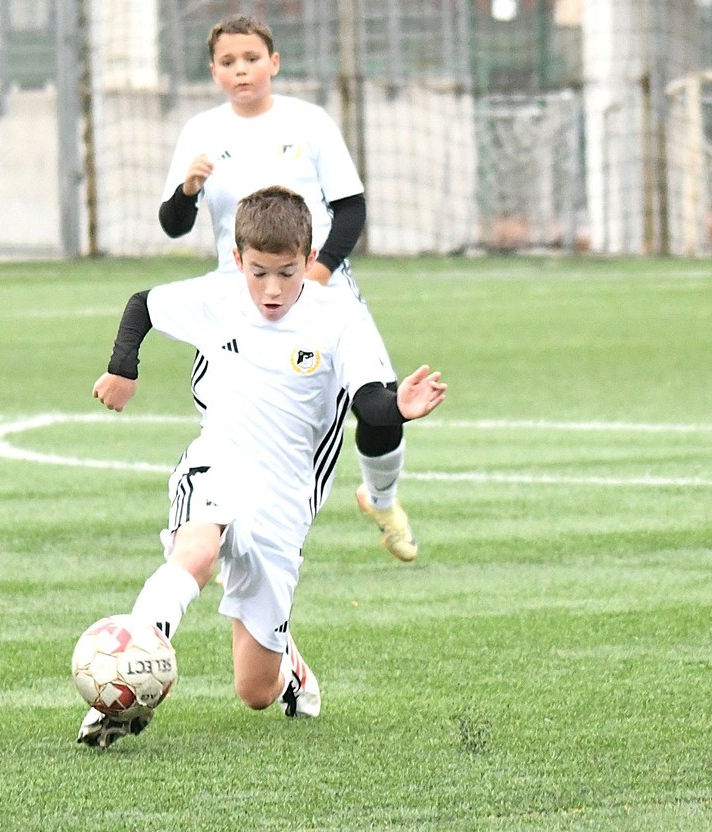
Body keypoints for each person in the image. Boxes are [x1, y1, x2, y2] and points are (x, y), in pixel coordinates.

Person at [80, 186, 447, 748]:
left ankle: (289, 668)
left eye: (286, 273)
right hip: (218, 460)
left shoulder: (340, 318)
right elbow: (143, 306)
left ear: (309, 260)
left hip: (285, 498)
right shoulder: (219, 296)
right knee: (195, 553)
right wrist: (122, 367)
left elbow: (370, 402)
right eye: (258, 273)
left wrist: (398, 407)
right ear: (237, 260)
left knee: (254, 690)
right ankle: (127, 686)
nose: (272, 289)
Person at [158, 14, 420, 563]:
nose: (241, 70)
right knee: (235, 421)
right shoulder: (201, 132)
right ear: (214, 71)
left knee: (378, 407)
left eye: (251, 58)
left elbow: (351, 209)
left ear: (273, 63)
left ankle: (381, 500)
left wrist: (316, 277)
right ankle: (230, 532)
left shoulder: (309, 122)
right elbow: (174, 225)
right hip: (240, 303)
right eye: (228, 62)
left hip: (323, 285)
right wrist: (186, 191)